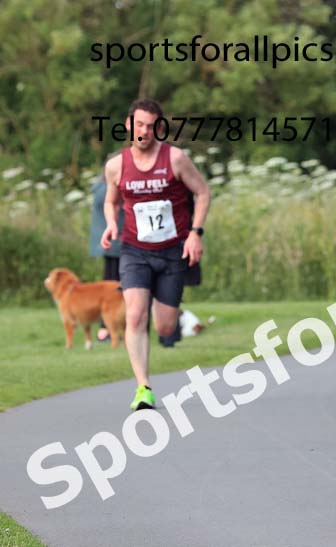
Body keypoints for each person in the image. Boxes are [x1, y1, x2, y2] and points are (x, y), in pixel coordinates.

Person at [101, 98, 211, 410]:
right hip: (134, 250)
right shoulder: (116, 165)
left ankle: (162, 305)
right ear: (128, 125)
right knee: (134, 314)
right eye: (139, 125)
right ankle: (143, 388)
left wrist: (195, 233)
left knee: (164, 327)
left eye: (151, 126)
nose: (144, 131)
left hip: (172, 251)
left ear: (158, 127)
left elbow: (202, 193)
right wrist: (110, 224)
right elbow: (111, 201)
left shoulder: (175, 159)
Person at [89, 160, 124, 342]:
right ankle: (107, 327)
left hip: (111, 245)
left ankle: (110, 326)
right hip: (116, 245)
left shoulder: (98, 187)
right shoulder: (107, 190)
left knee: (114, 286)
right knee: (113, 288)